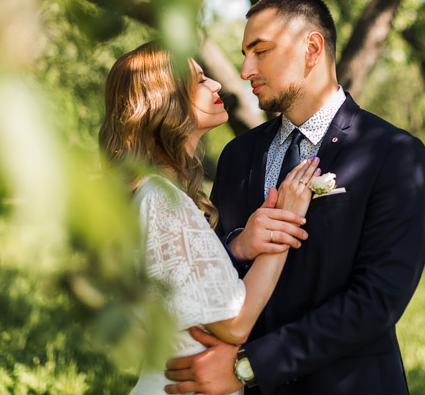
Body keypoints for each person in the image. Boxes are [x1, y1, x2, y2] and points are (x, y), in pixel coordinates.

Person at [164, 0, 425, 395]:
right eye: (243, 53)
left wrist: (249, 366)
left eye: (260, 51)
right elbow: (210, 275)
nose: (244, 69)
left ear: (312, 48)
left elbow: (377, 299)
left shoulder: (393, 153)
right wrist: (238, 245)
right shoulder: (238, 155)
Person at [99, 43, 320, 395]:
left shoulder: (153, 194)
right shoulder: (162, 200)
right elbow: (234, 325)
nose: (216, 84)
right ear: (164, 100)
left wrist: (240, 248)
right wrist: (285, 223)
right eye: (199, 79)